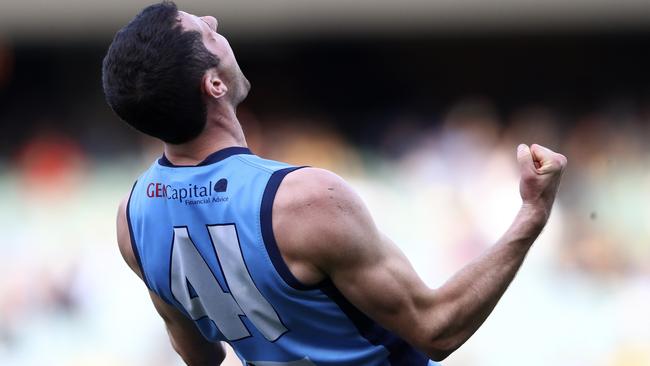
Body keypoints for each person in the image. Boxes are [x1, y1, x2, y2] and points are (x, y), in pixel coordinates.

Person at [102, 2, 567, 365]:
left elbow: (200, 355)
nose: (213, 19)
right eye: (205, 31)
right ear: (214, 85)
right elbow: (437, 329)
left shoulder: (133, 218)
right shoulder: (304, 200)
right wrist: (531, 214)